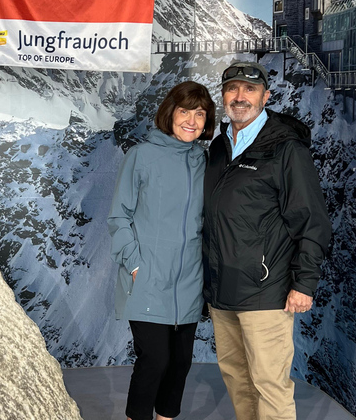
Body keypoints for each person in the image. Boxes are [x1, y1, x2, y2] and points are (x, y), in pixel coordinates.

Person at [202, 61, 331, 420]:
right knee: (237, 380)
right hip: (222, 293)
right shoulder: (217, 150)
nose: (239, 97)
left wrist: (304, 282)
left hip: (265, 292)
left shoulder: (285, 150)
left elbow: (312, 220)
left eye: (250, 90)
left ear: (265, 97)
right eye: (232, 89)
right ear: (223, 96)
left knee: (270, 385)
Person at [108, 80, 216, 420]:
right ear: (170, 113)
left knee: (181, 362)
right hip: (148, 276)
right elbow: (118, 216)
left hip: (188, 280)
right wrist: (135, 263)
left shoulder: (205, 161)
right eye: (185, 111)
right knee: (155, 359)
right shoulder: (141, 156)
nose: (192, 121)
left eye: (200, 113)